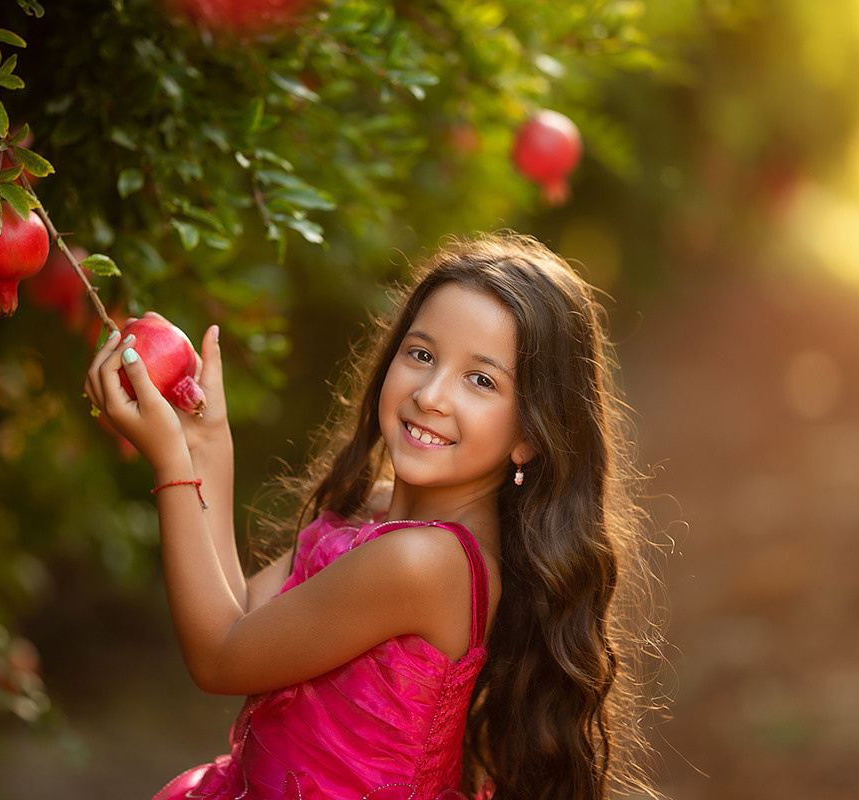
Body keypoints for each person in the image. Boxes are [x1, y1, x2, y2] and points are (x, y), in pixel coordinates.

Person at [84, 231, 665, 800]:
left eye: (481, 380)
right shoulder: (379, 514)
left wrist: (169, 465)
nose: (432, 394)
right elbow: (240, 615)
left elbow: (218, 658)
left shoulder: (422, 562)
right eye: (421, 354)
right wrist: (207, 448)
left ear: (531, 436)